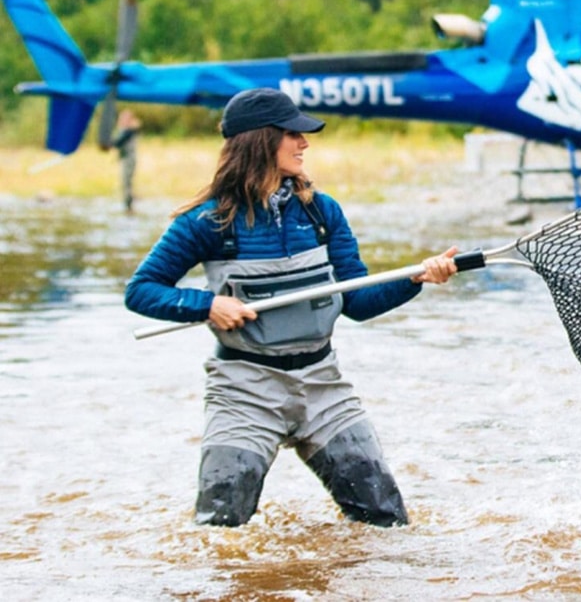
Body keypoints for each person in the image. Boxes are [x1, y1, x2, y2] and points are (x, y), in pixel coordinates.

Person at [126, 87, 459, 527]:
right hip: (244, 390)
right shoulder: (206, 222)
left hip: (324, 387)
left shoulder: (322, 213)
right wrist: (207, 305)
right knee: (220, 530)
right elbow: (142, 290)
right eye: (292, 134)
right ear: (260, 141)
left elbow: (356, 302)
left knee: (387, 523)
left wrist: (416, 280)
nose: (304, 143)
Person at [111, 109, 142, 213]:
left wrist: (107, 142)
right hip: (126, 159)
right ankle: (130, 203)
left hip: (129, 160)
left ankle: (129, 206)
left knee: (126, 183)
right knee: (126, 183)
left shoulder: (129, 131)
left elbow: (118, 142)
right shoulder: (125, 130)